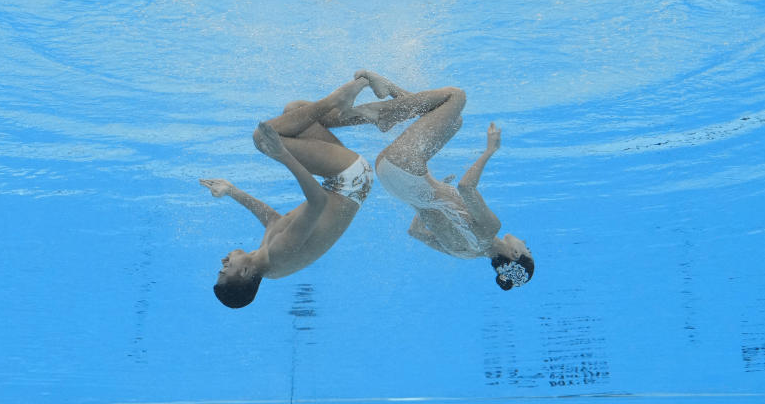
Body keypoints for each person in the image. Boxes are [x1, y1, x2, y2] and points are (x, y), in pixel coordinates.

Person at [343, 70, 534, 290]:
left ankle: (387, 115)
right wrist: (433, 197)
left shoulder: (491, 228)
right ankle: (389, 106)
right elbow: (415, 232)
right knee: (453, 121)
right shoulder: (464, 253)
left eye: (527, 250)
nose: (525, 245)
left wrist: (489, 150)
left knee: (456, 97)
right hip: (393, 181)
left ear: (515, 254)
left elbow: (466, 187)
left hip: (405, 169)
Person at [200, 77, 374, 308]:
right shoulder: (279, 254)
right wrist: (282, 155)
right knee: (262, 139)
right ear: (244, 271)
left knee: (295, 112)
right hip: (349, 179)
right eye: (224, 270)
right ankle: (338, 99)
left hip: (345, 181)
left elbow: (273, 219)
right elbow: (318, 201)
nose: (222, 263)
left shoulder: (265, 260)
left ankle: (377, 116)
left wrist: (232, 191)